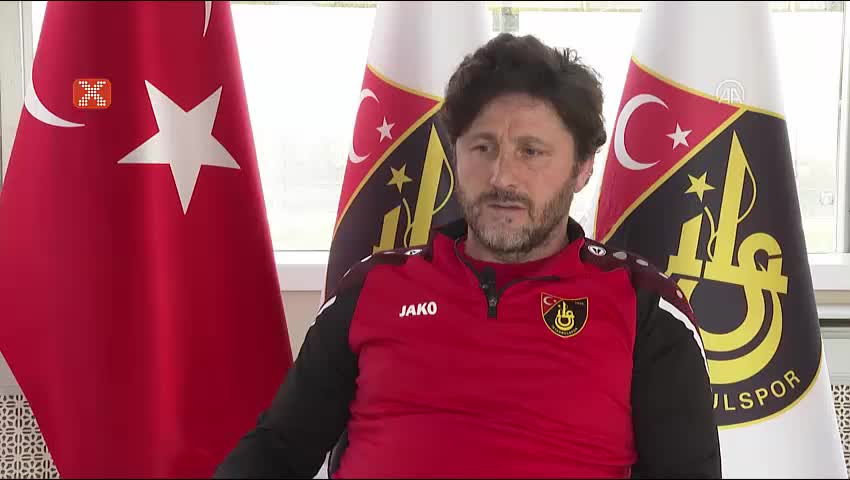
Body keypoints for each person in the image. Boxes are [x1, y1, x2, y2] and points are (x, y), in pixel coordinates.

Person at [214, 33, 720, 479]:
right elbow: (276, 452)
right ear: (455, 155)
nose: (502, 177)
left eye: (531, 152)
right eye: (482, 148)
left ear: (583, 168)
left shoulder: (644, 306)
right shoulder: (372, 287)